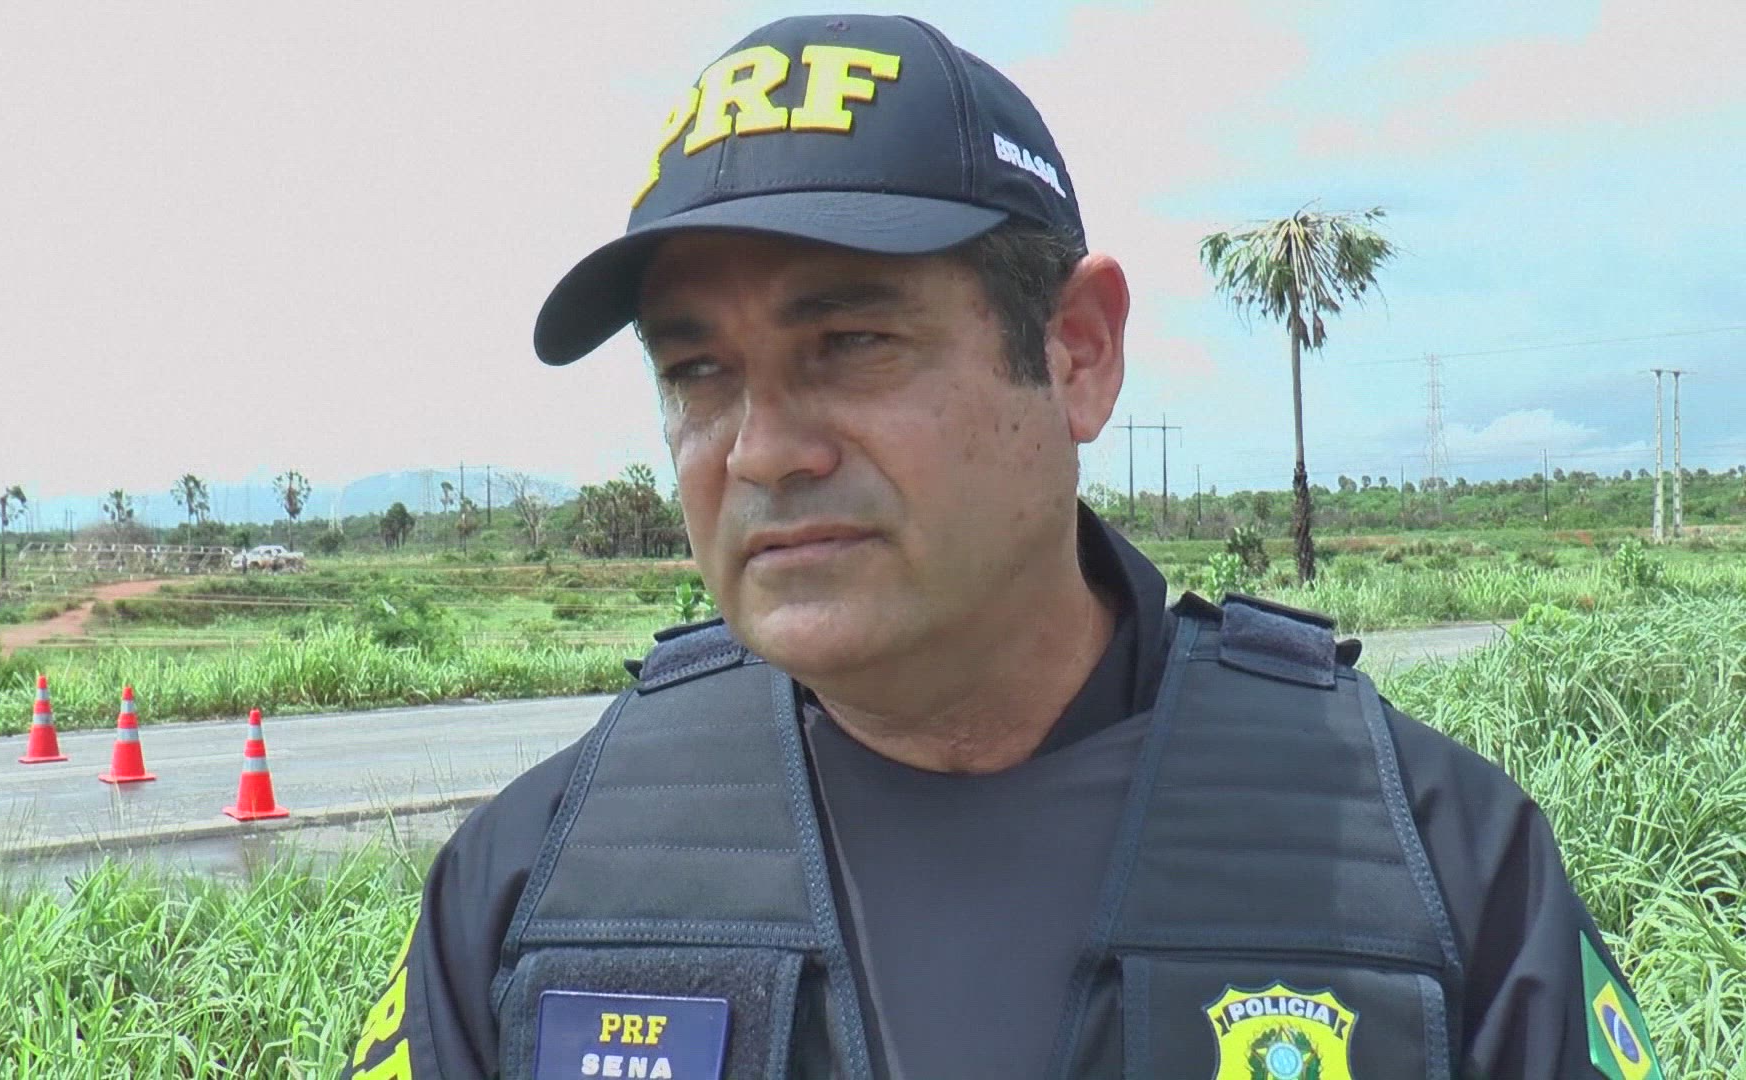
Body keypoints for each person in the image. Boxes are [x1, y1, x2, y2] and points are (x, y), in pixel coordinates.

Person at [341, 13, 1660, 1079]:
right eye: (697, 369)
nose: (760, 449)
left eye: (850, 342)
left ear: (1076, 354)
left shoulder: (1434, 869)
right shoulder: (534, 890)